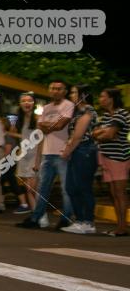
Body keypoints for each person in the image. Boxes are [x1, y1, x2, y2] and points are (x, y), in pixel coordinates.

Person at [17, 80, 74, 229]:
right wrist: (51, 125)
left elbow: (60, 125)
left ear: (64, 91)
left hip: (62, 153)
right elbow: (41, 128)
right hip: (47, 154)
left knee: (65, 188)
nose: (55, 91)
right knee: (42, 188)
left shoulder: (68, 105)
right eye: (52, 88)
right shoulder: (47, 108)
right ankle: (36, 218)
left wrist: (48, 125)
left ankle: (65, 219)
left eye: (58, 88)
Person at [60, 84, 98, 234]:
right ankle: (81, 220)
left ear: (82, 95)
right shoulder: (78, 111)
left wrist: (67, 151)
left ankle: (88, 222)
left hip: (84, 151)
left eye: (74, 92)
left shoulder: (88, 111)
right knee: (71, 187)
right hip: (76, 152)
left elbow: (78, 135)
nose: (71, 95)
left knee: (83, 187)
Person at [92, 88, 129, 236]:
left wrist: (102, 133)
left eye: (102, 96)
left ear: (111, 99)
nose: (100, 99)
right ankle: (119, 226)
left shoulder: (121, 114)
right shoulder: (107, 116)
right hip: (106, 157)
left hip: (119, 157)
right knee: (113, 193)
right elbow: (94, 133)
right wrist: (102, 133)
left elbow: (109, 134)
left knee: (119, 193)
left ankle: (122, 227)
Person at [5, 93, 37, 214]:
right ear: (20, 104)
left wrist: (39, 159)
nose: (26, 103)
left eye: (29, 101)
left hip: (35, 155)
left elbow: (41, 138)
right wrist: (12, 132)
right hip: (24, 156)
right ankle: (36, 215)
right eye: (23, 101)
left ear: (34, 104)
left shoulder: (38, 119)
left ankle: (39, 213)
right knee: (28, 189)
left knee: (33, 189)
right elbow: (22, 136)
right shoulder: (20, 120)